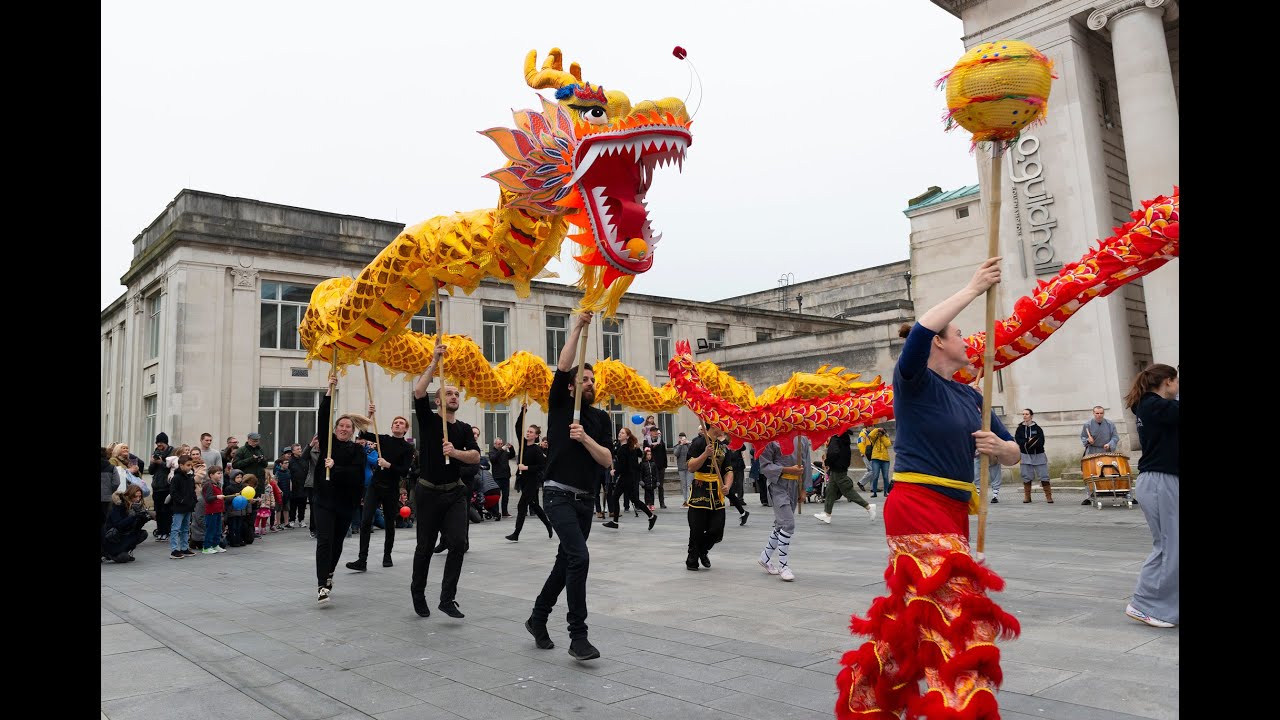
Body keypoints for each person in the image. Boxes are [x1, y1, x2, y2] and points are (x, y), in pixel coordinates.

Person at [835, 256, 1022, 719]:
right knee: (962, 621)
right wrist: (973, 287)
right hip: (916, 505)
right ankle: (959, 708)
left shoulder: (972, 396)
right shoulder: (913, 381)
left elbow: (1014, 453)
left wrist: (1001, 447)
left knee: (912, 616)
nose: (967, 341)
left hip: (955, 511)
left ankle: (867, 699)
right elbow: (919, 331)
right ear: (940, 342)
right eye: (958, 334)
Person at [525, 311, 614, 662]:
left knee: (566, 563)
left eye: (592, 379)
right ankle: (578, 635)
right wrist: (577, 326)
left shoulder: (601, 418)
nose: (589, 383)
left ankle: (537, 617)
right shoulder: (561, 404)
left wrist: (585, 438)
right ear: (572, 386)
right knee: (579, 557)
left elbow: (606, 459)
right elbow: (563, 366)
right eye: (584, 379)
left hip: (586, 501)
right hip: (558, 493)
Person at [410, 337, 482, 619]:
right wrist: (434, 361)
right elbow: (418, 391)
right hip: (428, 491)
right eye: (448, 393)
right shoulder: (429, 420)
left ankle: (447, 598)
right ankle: (418, 592)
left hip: (454, 492)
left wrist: (456, 452)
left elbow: (475, 456)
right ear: (438, 401)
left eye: (456, 394)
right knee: (425, 547)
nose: (454, 397)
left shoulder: (463, 428)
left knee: (458, 544)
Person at [1122, 363, 1179, 628]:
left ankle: (1165, 605)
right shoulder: (1152, 405)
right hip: (1159, 480)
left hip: (1162, 479)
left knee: (1171, 545)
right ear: (1167, 381)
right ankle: (1144, 604)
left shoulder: (1153, 406)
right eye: (1176, 381)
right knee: (1169, 546)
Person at [312, 374, 371, 603]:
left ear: (352, 430)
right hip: (324, 500)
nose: (344, 429)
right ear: (335, 428)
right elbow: (323, 416)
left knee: (337, 542)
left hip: (346, 503)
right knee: (324, 541)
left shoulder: (357, 450)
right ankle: (321, 584)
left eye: (348, 427)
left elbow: (356, 475)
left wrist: (335, 467)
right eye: (341, 425)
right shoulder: (328, 442)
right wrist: (330, 389)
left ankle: (329, 573)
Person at [347, 409, 414, 571]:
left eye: (401, 423)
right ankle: (362, 560)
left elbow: (404, 470)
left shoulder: (408, 447)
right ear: (391, 427)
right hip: (375, 486)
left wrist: (388, 465)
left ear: (405, 429)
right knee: (365, 521)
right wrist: (369, 416)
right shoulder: (383, 439)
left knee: (390, 523)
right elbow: (363, 434)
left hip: (391, 488)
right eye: (395, 423)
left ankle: (387, 555)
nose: (397, 424)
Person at [684, 424, 742, 570]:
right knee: (696, 528)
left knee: (717, 530)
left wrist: (727, 486)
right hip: (700, 489)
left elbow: (728, 470)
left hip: (717, 491)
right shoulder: (698, 442)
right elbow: (690, 467)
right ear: (713, 425)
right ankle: (692, 558)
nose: (724, 427)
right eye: (720, 424)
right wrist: (705, 454)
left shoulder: (722, 447)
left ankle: (702, 550)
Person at [756, 436, 811, 582]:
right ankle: (783, 566)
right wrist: (787, 469)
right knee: (788, 524)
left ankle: (765, 557)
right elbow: (765, 466)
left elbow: (806, 463)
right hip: (778, 485)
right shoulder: (770, 438)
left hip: (794, 486)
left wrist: (804, 489)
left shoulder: (802, 438)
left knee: (781, 524)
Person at [506, 407, 552, 541]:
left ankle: (516, 534)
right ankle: (548, 524)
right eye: (528, 431)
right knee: (534, 505)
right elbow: (517, 427)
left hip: (532, 480)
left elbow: (541, 466)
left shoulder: (537, 450)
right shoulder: (523, 444)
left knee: (522, 505)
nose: (528, 433)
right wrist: (523, 411)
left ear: (536, 436)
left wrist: (526, 467)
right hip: (523, 480)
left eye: (531, 432)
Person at [812, 428, 875, 524]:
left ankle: (869, 507)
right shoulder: (843, 437)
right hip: (839, 467)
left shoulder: (835, 438)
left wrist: (827, 462)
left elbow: (833, 453)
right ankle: (827, 514)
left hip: (838, 468)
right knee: (830, 490)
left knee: (847, 491)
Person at [604, 427, 656, 530]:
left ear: (627, 436)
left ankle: (615, 522)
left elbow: (623, 466)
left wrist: (615, 472)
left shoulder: (624, 449)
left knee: (615, 497)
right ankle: (651, 516)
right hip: (630, 477)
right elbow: (639, 455)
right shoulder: (628, 447)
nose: (620, 434)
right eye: (620, 432)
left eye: (622, 433)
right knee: (634, 499)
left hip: (626, 477)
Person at [102, 484, 152, 563]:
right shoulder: (119, 505)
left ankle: (122, 551)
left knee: (143, 534)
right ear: (129, 495)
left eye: (140, 497)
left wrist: (143, 519)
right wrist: (134, 516)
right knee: (123, 557)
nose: (138, 499)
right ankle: (108, 553)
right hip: (112, 537)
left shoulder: (135, 506)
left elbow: (135, 528)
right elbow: (118, 525)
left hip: (124, 535)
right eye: (135, 496)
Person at [1080, 405, 1120, 505]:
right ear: (1093, 413)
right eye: (1097, 413)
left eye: (1101, 413)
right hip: (1092, 451)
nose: (1099, 415)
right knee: (1091, 473)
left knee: (1108, 472)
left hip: (1106, 451)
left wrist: (1110, 444)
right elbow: (1083, 437)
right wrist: (1088, 440)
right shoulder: (1087, 425)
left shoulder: (1110, 424)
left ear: (1103, 413)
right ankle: (1090, 496)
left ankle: (1111, 492)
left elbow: (1115, 437)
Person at [1014, 408, 1048, 504]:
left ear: (1031, 416)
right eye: (1023, 414)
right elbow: (1018, 439)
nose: (1024, 416)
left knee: (1044, 475)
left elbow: (1041, 441)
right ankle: (1027, 497)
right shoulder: (1020, 429)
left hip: (1038, 455)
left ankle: (1048, 496)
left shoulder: (1038, 428)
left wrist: (1031, 443)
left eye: (1027, 414)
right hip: (1025, 455)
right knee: (1026, 476)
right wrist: (1027, 442)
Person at [168, 455, 198, 559]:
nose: (190, 467)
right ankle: (174, 550)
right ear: (181, 465)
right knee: (176, 528)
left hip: (188, 507)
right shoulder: (176, 478)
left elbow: (193, 490)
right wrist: (182, 500)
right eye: (188, 465)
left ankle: (184, 548)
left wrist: (194, 500)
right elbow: (173, 492)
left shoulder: (190, 477)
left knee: (185, 528)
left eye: (191, 465)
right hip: (179, 507)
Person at [148, 433, 176, 542]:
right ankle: (160, 531)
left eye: (161, 443)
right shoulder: (155, 453)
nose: (159, 445)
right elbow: (151, 471)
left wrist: (161, 462)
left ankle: (166, 532)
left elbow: (174, 468)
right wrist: (153, 463)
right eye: (157, 443)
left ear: (166, 443)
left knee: (166, 511)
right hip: (156, 487)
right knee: (158, 511)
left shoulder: (172, 453)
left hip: (167, 486)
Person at [858, 426, 892, 497]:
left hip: (885, 459)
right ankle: (874, 492)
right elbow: (870, 435)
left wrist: (883, 436)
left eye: (882, 431)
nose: (880, 432)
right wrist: (877, 429)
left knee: (885, 477)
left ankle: (886, 492)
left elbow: (888, 444)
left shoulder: (885, 437)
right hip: (876, 458)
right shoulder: (874, 438)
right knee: (875, 475)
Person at [201, 466, 227, 554]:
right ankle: (207, 547)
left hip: (218, 510)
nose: (220, 475)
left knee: (218, 529)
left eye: (221, 473)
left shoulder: (218, 484)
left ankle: (215, 545)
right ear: (211, 475)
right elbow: (208, 498)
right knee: (211, 529)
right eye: (218, 473)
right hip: (211, 511)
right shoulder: (209, 485)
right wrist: (217, 497)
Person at [643, 426, 669, 508]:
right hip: (651, 466)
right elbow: (645, 452)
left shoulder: (660, 440)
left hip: (660, 466)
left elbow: (664, 453)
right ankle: (649, 503)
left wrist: (665, 465)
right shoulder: (646, 441)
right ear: (650, 432)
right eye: (653, 431)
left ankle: (662, 503)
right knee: (650, 485)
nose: (655, 433)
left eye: (656, 431)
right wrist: (652, 446)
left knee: (660, 486)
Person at [490, 435, 516, 518]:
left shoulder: (504, 452)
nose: (500, 445)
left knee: (506, 496)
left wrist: (511, 448)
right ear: (495, 444)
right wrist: (501, 450)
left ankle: (505, 512)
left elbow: (512, 455)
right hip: (497, 477)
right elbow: (493, 459)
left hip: (505, 476)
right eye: (499, 444)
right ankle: (496, 513)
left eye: (501, 444)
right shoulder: (492, 452)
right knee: (497, 496)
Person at [288, 441, 312, 528]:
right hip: (294, 486)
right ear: (293, 451)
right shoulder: (290, 461)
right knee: (293, 504)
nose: (300, 450)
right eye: (297, 449)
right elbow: (288, 473)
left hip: (303, 485)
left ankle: (301, 520)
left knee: (302, 504)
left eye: (300, 449)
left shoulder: (304, 459)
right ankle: (292, 520)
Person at [673, 432, 692, 507]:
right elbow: (676, 454)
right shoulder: (677, 446)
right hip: (681, 468)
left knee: (689, 485)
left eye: (683, 438)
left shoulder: (689, 445)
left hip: (689, 467)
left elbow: (693, 452)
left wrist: (688, 443)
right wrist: (680, 445)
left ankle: (689, 500)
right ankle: (685, 500)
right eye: (681, 438)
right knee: (684, 485)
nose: (682, 440)